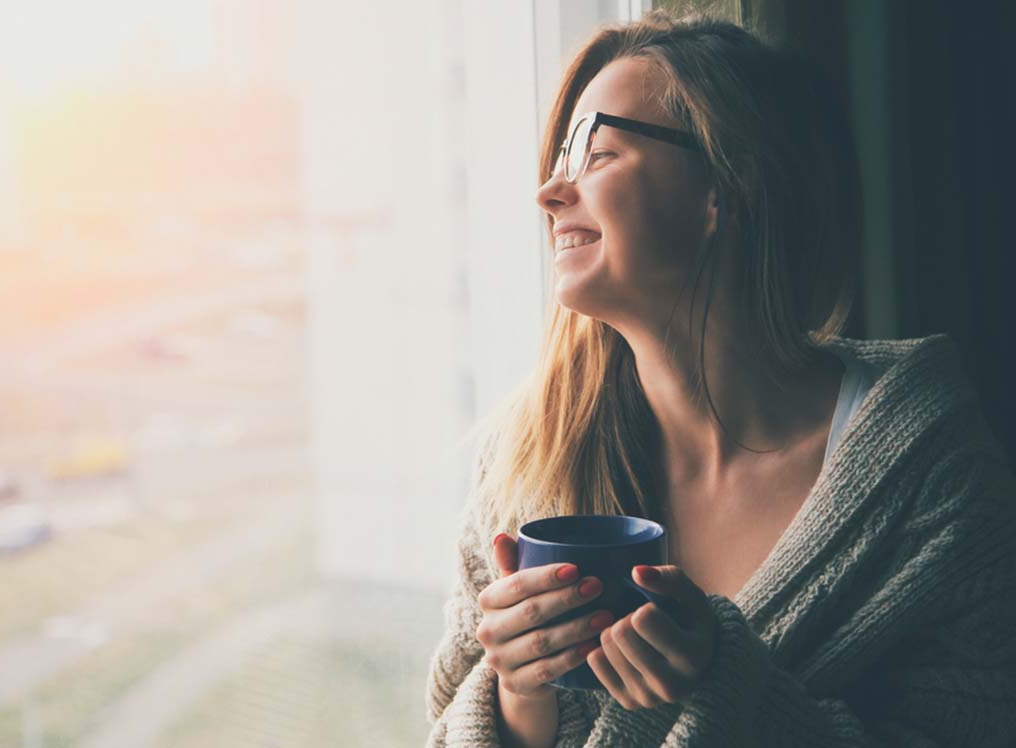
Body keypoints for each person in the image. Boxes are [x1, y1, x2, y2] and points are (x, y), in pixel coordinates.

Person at [425, 10, 1016, 748]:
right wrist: (519, 696)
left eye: (597, 154)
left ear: (724, 188)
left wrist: (730, 694)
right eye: (559, 160)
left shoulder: (936, 483)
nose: (549, 192)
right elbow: (447, 720)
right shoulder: (522, 469)